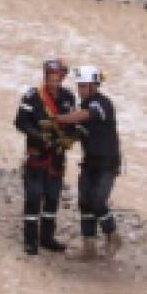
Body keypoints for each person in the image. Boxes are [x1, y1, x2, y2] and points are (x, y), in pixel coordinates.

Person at [56, 65, 121, 258]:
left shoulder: (102, 103)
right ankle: (89, 247)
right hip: (89, 161)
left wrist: (58, 118)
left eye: (83, 86)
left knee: (98, 200)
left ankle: (112, 235)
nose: (80, 89)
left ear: (94, 86)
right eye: (79, 86)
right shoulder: (83, 106)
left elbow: (84, 116)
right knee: (84, 202)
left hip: (107, 163)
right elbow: (76, 131)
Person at [13, 59, 77, 256]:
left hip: (57, 157)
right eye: (50, 79)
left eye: (57, 79)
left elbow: (72, 124)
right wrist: (39, 135)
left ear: (62, 78)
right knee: (33, 197)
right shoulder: (32, 97)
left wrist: (70, 138)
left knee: (52, 198)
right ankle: (30, 241)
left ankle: (47, 238)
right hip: (36, 155)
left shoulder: (68, 97)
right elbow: (20, 122)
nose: (53, 83)